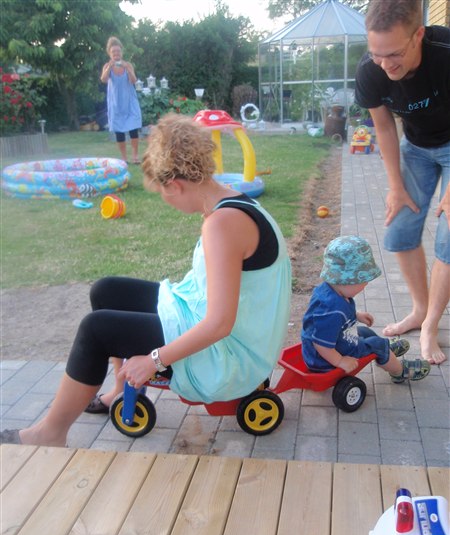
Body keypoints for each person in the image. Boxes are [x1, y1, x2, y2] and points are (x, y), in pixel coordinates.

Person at [0, 114, 292, 446]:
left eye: (162, 193)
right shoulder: (232, 202)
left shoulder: (222, 225)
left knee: (95, 329)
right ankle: (119, 388)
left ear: (175, 185)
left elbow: (219, 325)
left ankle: (49, 434)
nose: (166, 200)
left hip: (229, 357)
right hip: (218, 325)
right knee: (106, 290)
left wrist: (153, 360)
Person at [354, 0, 450, 365]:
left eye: (394, 54)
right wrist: (395, 187)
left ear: (419, 34)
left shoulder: (445, 54)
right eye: (376, 54)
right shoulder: (370, 70)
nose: (385, 64)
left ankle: (431, 325)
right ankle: (419, 311)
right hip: (416, 146)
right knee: (400, 228)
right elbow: (383, 127)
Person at [301, 236, 431, 384]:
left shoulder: (331, 290)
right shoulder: (331, 311)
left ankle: (386, 352)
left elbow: (335, 319)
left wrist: (356, 315)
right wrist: (340, 361)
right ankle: (399, 371)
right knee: (376, 344)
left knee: (364, 332)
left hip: (337, 343)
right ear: (346, 280)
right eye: (362, 281)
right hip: (325, 360)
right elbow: (321, 344)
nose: (365, 285)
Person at [101, 36, 142, 164]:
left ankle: (135, 156)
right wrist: (109, 68)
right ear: (110, 53)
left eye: (118, 51)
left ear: (121, 52)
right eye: (113, 52)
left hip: (129, 102)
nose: (116, 54)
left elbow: (133, 80)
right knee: (119, 131)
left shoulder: (128, 65)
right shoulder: (107, 66)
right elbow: (103, 79)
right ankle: (124, 158)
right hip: (116, 103)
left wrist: (128, 69)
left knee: (133, 129)